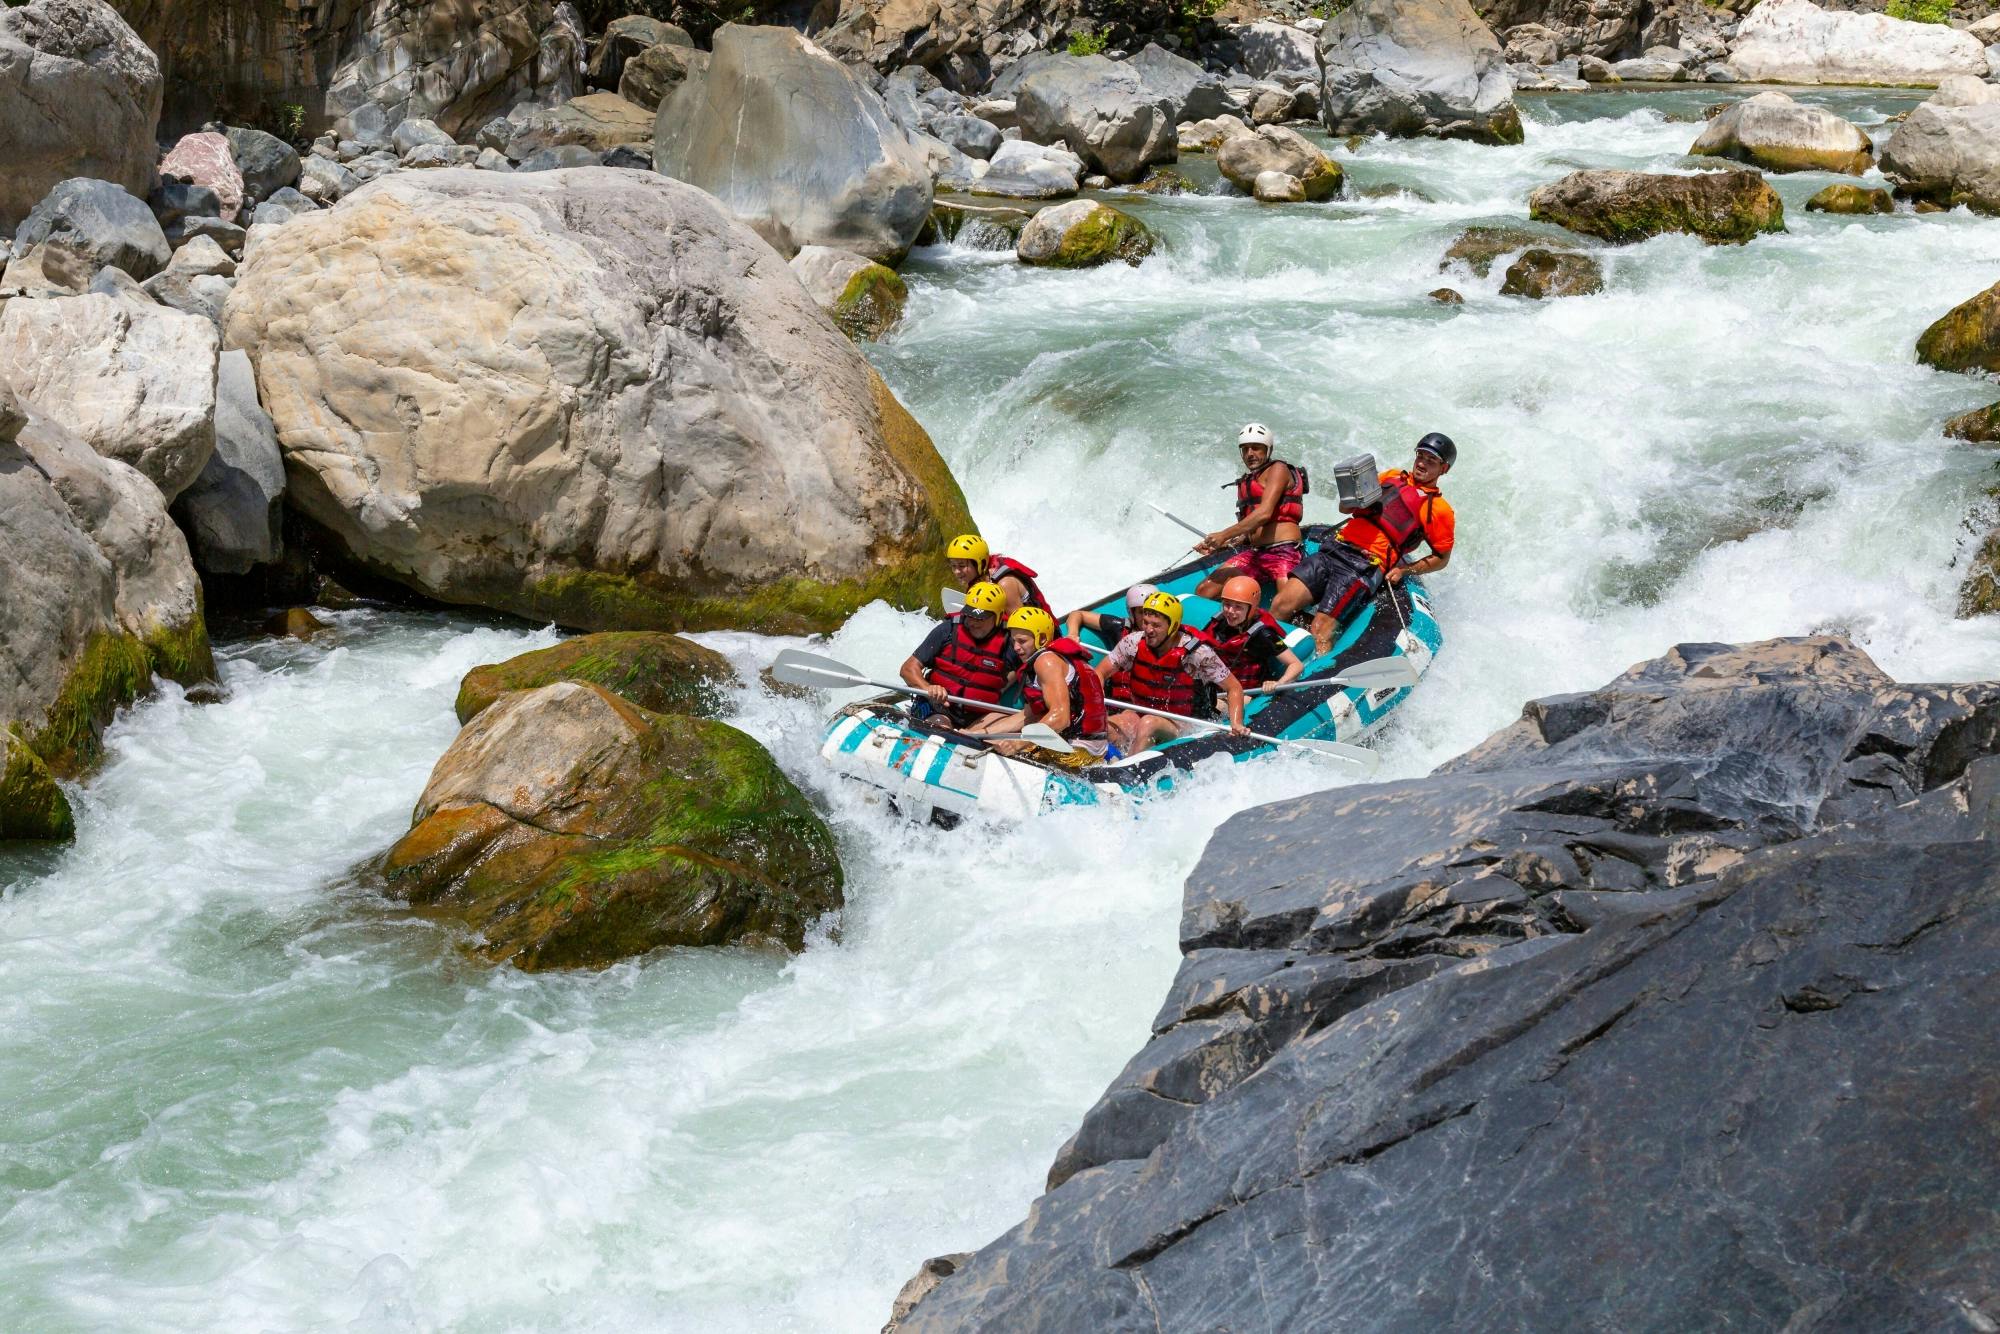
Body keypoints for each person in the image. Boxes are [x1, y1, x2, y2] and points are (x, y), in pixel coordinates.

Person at [1273, 432, 1458, 659]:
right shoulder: (1391, 477)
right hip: (1335, 548)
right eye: (1421, 455)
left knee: (1320, 630)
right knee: (1281, 604)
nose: (1422, 463)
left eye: (1431, 460)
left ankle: (1314, 673)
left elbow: (1442, 557)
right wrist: (1350, 499)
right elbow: (1346, 508)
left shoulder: (1439, 510)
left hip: (1363, 565)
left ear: (1444, 468)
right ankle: (1266, 663)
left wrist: (1405, 570)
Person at [1097, 590, 1247, 754]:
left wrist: (1236, 723)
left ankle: (1125, 771)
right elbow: (1099, 673)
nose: (1149, 630)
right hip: (1143, 712)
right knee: (1105, 727)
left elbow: (1233, 687)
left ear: (1173, 626)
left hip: (1185, 722)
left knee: (1149, 724)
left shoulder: (1197, 654)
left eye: (1156, 625)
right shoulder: (1132, 643)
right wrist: (1096, 706)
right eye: (1146, 622)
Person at [1192, 423, 1308, 600]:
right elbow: (1249, 532)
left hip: (1285, 552)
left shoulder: (1278, 469)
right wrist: (1221, 544)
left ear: (1268, 449)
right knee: (1204, 591)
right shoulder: (1248, 481)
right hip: (1256, 554)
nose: (1250, 454)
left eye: (1256, 448)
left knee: (1286, 606)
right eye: (1245, 449)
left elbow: (1264, 514)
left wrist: (1223, 534)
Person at [971, 606, 1109, 755]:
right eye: (1013, 641)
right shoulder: (1053, 658)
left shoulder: (1046, 661)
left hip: (1079, 751)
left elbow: (1061, 718)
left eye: (1022, 641)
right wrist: (980, 733)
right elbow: (1027, 716)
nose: (1016, 648)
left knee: (998, 746)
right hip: (1089, 747)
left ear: (1042, 639)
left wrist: (1017, 744)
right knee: (990, 729)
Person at [899, 580, 1017, 728]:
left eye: (981, 618)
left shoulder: (1010, 643)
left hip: (978, 717)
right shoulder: (947, 630)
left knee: (1003, 726)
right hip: (938, 708)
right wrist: (927, 688)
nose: (973, 622)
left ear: (998, 617)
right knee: (941, 725)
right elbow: (907, 669)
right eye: (970, 615)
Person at [1200, 576, 1304, 692]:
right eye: (1227, 604)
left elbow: (1296, 665)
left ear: (1252, 609)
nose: (1230, 611)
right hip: (1218, 684)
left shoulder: (1263, 634)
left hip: (1246, 692)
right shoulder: (1219, 622)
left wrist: (1278, 683)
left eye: (1238, 607)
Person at [946, 534, 1050, 617]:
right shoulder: (978, 577)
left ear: (980, 564)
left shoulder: (1004, 584)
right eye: (953, 566)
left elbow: (1020, 627)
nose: (956, 571)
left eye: (961, 566)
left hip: (1038, 635)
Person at [1062, 583, 1155, 651]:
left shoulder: (1165, 632)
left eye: (1153, 612)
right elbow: (1077, 614)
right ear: (1132, 613)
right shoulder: (1119, 627)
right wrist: (1073, 634)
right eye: (1142, 612)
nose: (1148, 618)